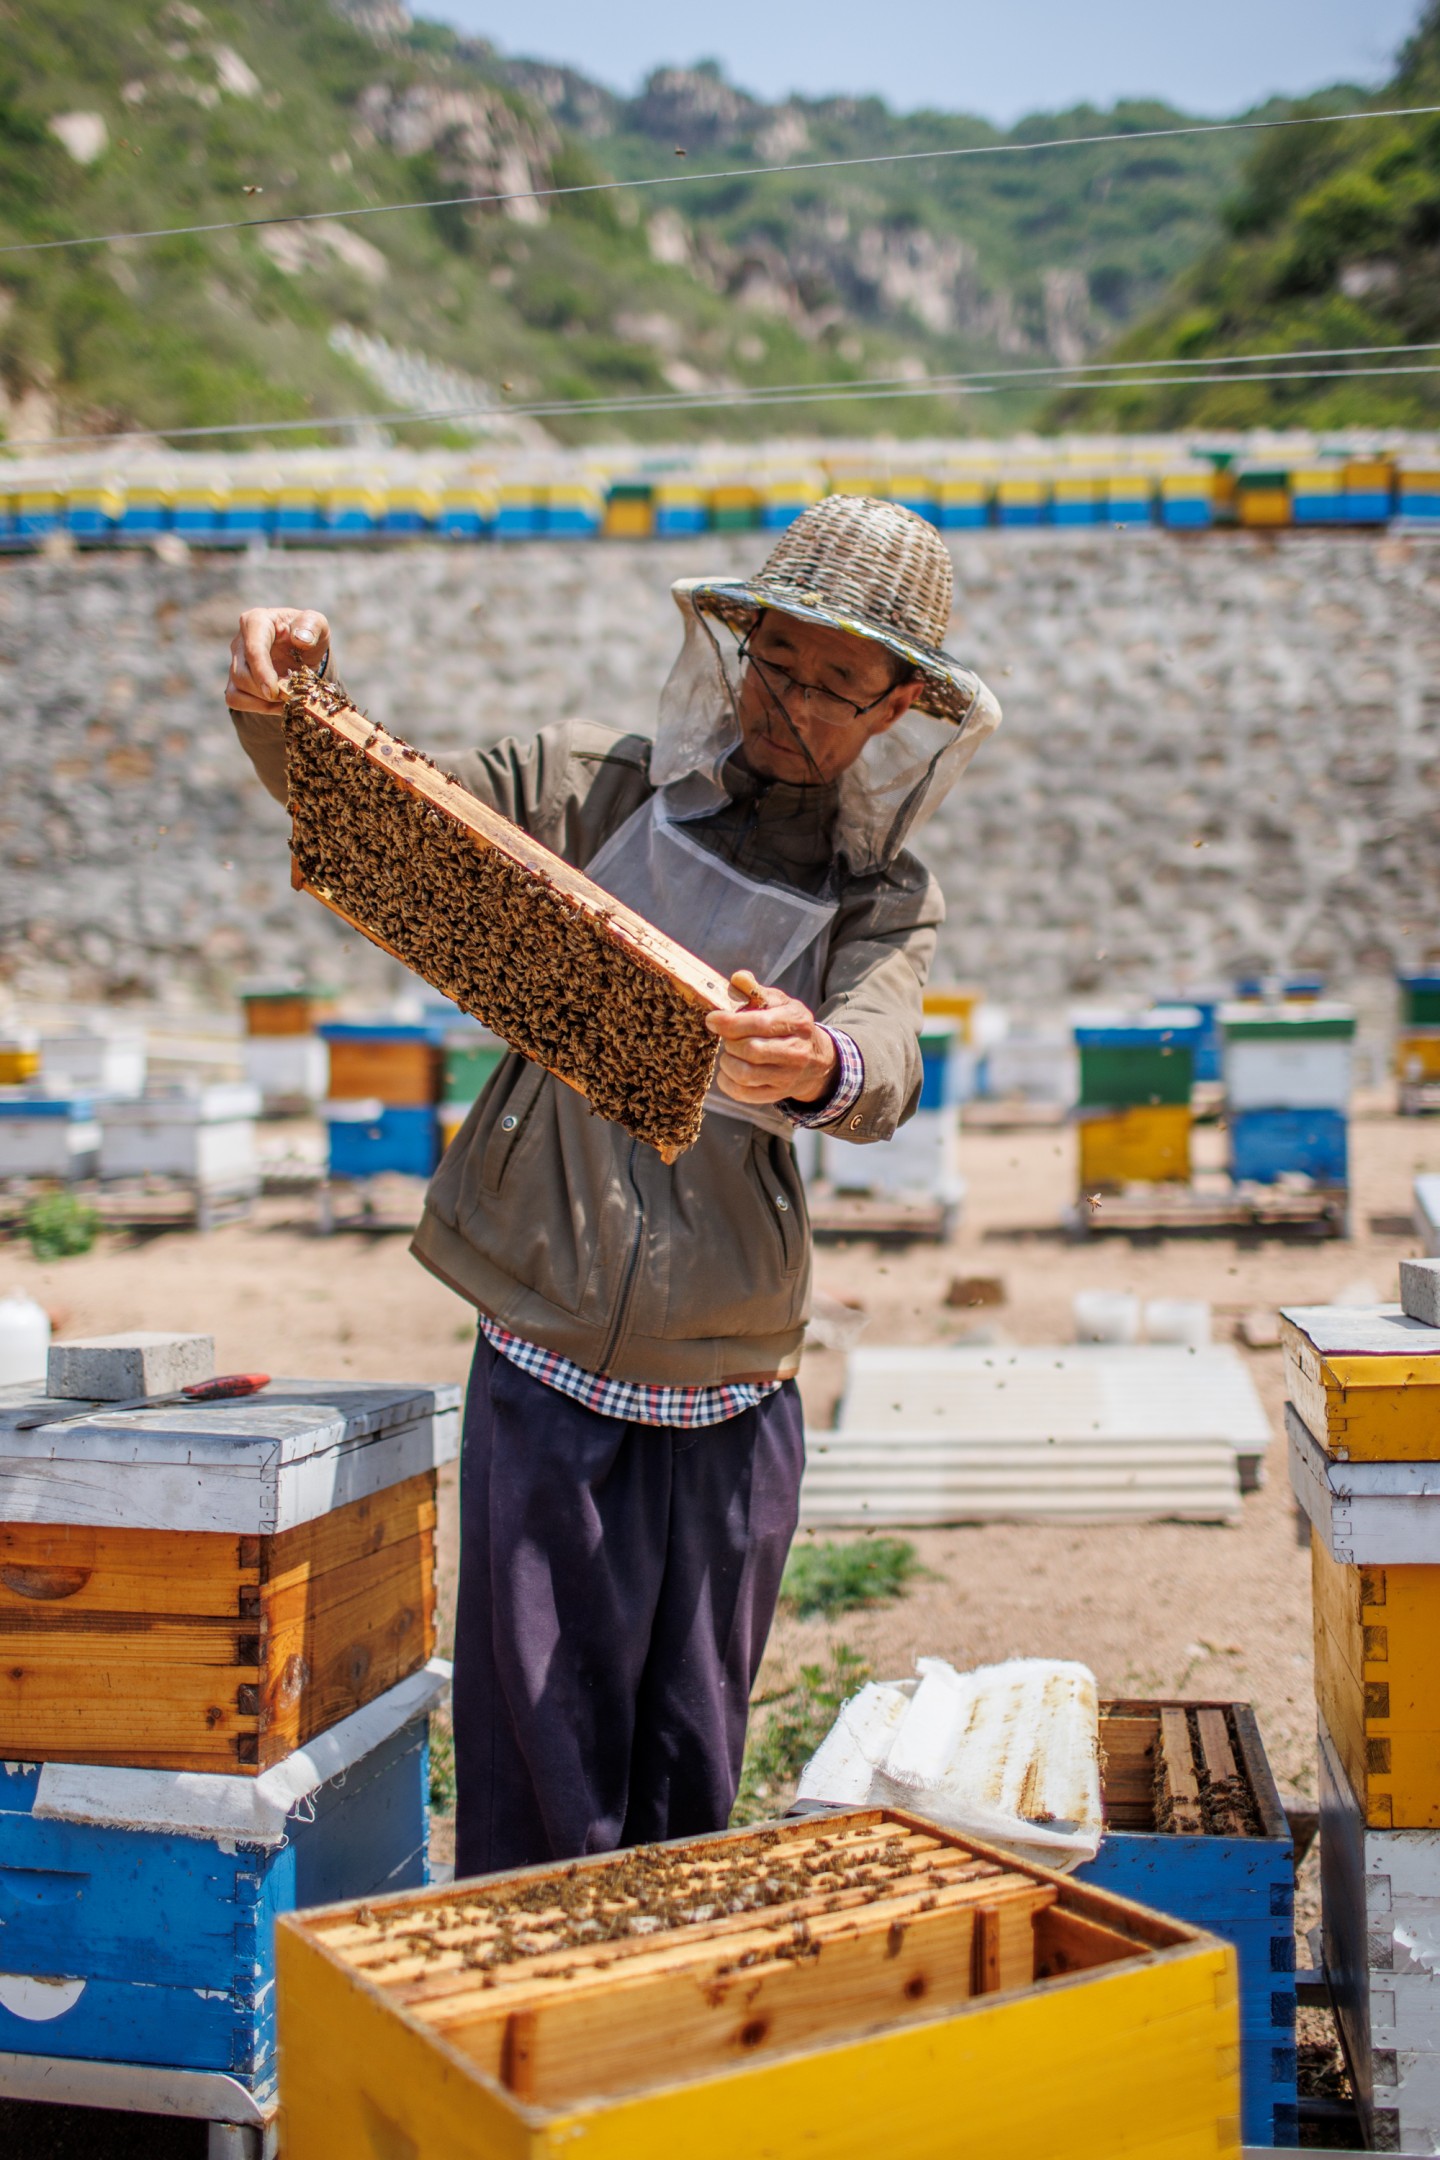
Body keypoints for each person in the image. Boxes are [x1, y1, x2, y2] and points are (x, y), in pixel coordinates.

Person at [225, 492, 1000, 1875]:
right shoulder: (586, 789)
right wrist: (288, 703)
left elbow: (882, 1061)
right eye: (778, 660)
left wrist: (809, 1060)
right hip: (547, 1335)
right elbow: (373, 820)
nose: (796, 704)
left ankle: (651, 2026)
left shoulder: (884, 892)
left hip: (733, 1364)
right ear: (736, 642)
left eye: (839, 684)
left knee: (689, 1740)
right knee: (534, 1738)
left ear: (897, 711)